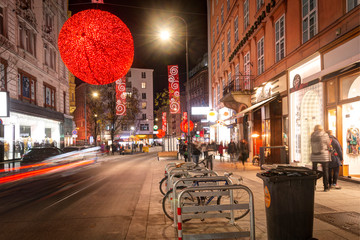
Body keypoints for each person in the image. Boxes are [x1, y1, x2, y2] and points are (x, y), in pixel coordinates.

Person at [310, 125, 331, 192]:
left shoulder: (312, 135)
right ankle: (326, 187)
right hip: (323, 155)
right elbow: (328, 143)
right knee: (325, 171)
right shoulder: (324, 135)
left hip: (314, 155)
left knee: (314, 171)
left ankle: (313, 186)